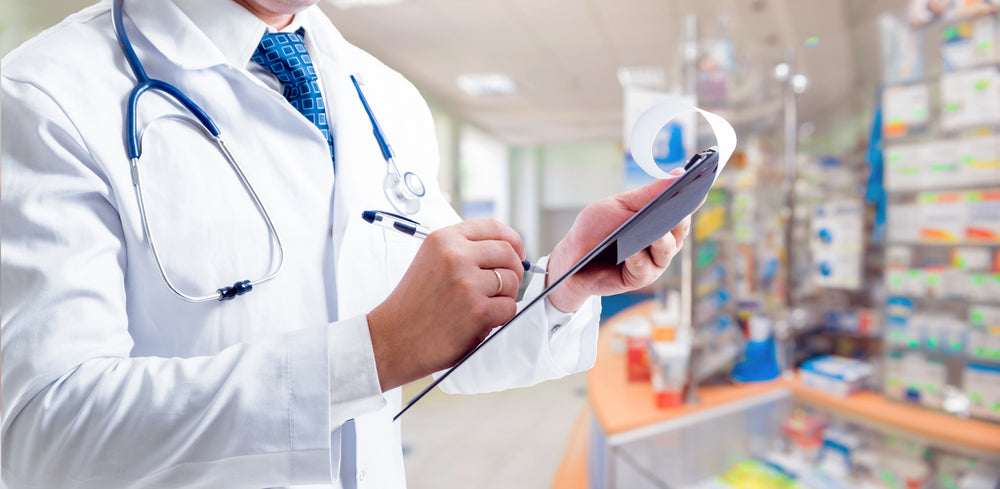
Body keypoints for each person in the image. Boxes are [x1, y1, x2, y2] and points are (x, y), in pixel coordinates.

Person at [0, 0, 692, 487]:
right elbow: (43, 436)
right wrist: (373, 351)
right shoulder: (48, 94)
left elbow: (449, 337)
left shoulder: (383, 97)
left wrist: (564, 276)